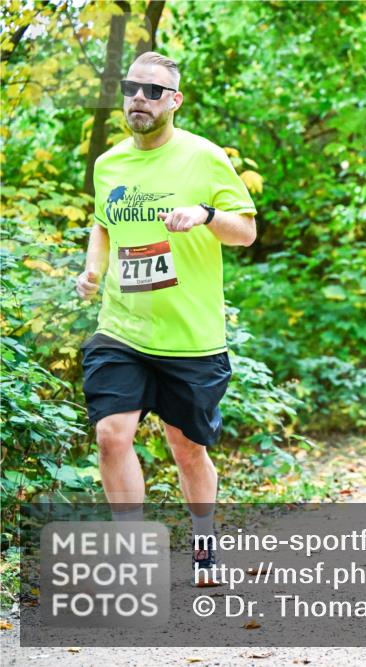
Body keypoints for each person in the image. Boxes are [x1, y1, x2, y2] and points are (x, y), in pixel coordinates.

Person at [74, 52, 257, 580]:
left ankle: (204, 541)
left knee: (188, 448)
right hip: (122, 329)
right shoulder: (109, 164)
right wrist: (93, 270)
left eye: (153, 91)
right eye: (132, 87)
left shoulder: (203, 158)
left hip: (191, 338)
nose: (139, 98)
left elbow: (244, 231)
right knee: (112, 433)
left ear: (173, 101)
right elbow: (103, 224)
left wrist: (204, 215)